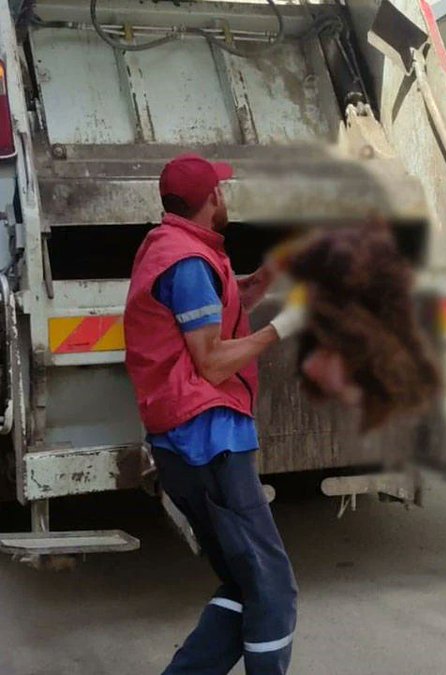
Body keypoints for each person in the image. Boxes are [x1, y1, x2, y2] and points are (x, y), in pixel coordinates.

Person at [124, 154, 307, 675]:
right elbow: (210, 361)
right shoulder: (185, 265)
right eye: (221, 190)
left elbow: (231, 295)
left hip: (189, 438)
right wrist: (282, 328)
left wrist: (281, 267)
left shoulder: (174, 246)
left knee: (244, 583)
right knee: (271, 586)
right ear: (211, 200)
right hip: (206, 439)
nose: (226, 196)